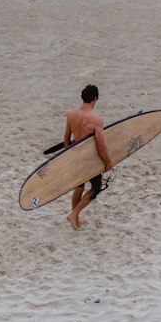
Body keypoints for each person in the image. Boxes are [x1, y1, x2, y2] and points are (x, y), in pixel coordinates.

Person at [63, 84, 112, 229]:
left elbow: (66, 138)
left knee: (79, 187)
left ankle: (75, 219)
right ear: (95, 98)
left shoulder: (71, 114)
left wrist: (70, 154)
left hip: (75, 154)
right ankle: (73, 214)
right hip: (90, 159)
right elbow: (101, 146)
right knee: (96, 187)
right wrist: (108, 162)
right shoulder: (96, 120)